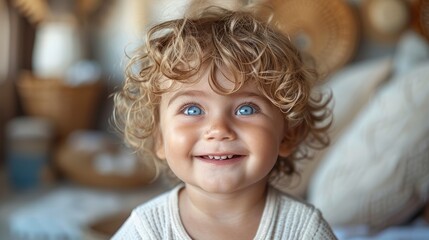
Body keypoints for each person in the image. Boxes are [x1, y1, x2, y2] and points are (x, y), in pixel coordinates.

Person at [112, 4, 336, 240]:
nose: (218, 130)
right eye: (192, 109)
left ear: (288, 134)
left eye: (246, 108)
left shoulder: (304, 230)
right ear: (159, 137)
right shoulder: (146, 230)